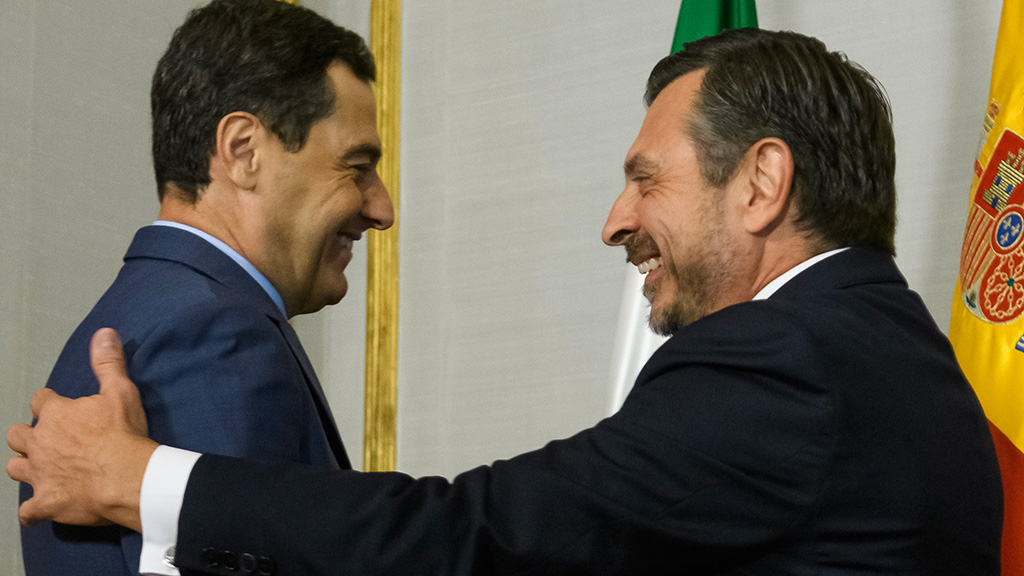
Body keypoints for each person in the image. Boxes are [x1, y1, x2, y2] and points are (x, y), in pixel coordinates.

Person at [9, 28, 1002, 575]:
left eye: (645, 178)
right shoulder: (898, 358)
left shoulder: (788, 359)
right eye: (359, 164)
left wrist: (140, 478)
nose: (615, 221)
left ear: (762, 182)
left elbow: (478, 535)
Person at [15, 1, 393, 574]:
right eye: (357, 166)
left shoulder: (146, 314)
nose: (382, 209)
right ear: (243, 151)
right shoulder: (214, 335)